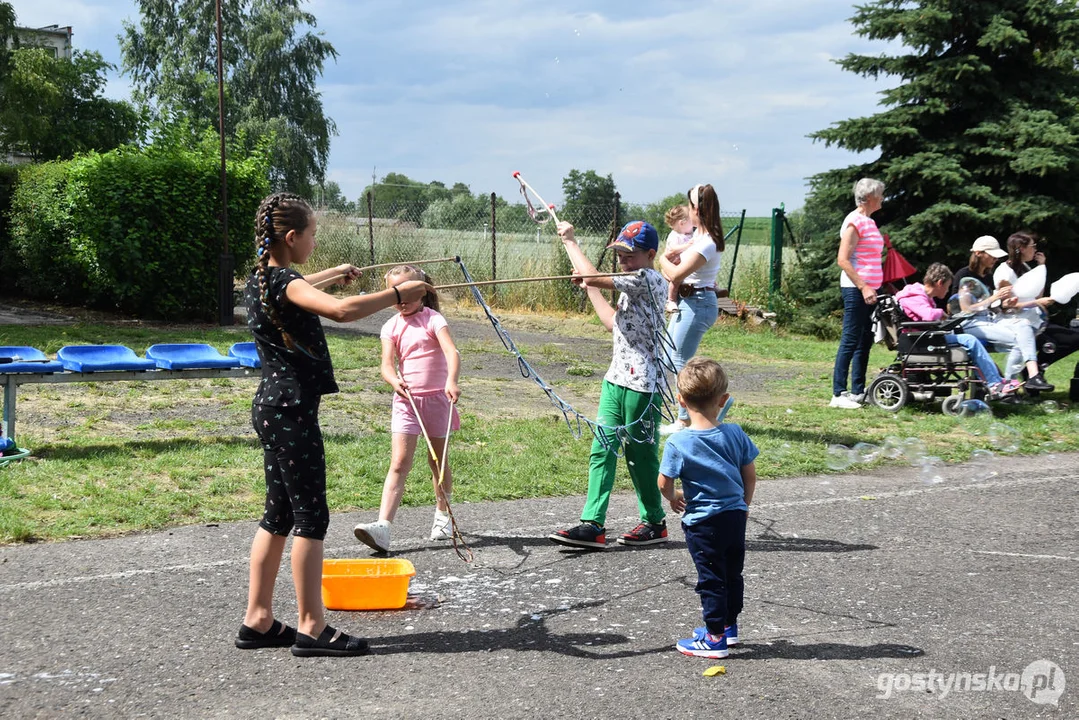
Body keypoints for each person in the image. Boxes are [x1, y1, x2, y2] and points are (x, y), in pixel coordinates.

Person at [238, 192, 431, 658]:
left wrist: (334, 276)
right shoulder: (284, 282)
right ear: (291, 237)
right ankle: (312, 627)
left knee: (279, 514)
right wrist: (397, 295)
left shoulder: (261, 278)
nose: (314, 241)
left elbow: (301, 284)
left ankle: (259, 619)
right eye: (311, 234)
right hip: (291, 410)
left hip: (273, 405)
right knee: (309, 516)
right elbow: (340, 311)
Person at [549, 220, 671, 549]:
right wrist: (590, 287)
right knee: (602, 448)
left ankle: (655, 522)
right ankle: (593, 524)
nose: (622, 261)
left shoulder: (648, 279)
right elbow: (611, 323)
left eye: (628, 255)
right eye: (618, 254)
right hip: (615, 380)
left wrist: (571, 242)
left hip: (643, 385)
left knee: (640, 455)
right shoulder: (631, 285)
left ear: (650, 254)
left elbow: (593, 276)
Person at [353, 266, 461, 553]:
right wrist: (393, 379)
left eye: (407, 292)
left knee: (437, 461)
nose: (401, 299)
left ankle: (442, 514)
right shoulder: (390, 326)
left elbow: (452, 352)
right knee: (399, 462)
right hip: (406, 402)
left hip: (437, 400)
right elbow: (387, 364)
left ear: (422, 291)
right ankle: (383, 527)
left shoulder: (433, 319)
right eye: (395, 292)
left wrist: (451, 381)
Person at [657, 357, 757, 659]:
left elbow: (664, 481)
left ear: (681, 401)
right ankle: (729, 627)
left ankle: (714, 639)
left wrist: (673, 498)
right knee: (732, 573)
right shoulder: (735, 433)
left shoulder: (679, 442)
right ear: (724, 400)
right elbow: (749, 474)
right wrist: (743, 505)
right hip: (735, 517)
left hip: (703, 523)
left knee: (711, 578)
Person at [894, 263, 1020, 398]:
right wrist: (942, 313)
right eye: (947, 286)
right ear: (940, 283)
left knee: (967, 338)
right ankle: (994, 383)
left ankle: (996, 380)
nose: (948, 290)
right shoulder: (914, 296)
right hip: (920, 340)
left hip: (926, 337)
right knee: (970, 340)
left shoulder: (921, 296)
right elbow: (929, 315)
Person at [658, 184, 726, 434]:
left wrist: (661, 258)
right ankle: (714, 401)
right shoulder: (698, 237)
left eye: (689, 205)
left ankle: (685, 421)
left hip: (697, 304)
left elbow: (675, 273)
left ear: (697, 208)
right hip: (690, 302)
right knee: (668, 358)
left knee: (678, 361)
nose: (687, 210)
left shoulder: (706, 242)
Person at [831, 178, 886, 409]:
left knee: (865, 339)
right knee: (851, 338)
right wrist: (864, 286)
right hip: (856, 289)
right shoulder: (854, 221)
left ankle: (857, 390)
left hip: (871, 290)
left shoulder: (869, 221)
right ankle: (838, 393)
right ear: (870, 197)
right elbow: (842, 259)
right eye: (881, 194)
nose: (883, 198)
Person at [994, 231, 1079, 379]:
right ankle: (1029, 376)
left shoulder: (1026, 268)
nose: (1035, 250)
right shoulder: (1004, 273)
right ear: (1021, 248)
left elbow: (1037, 296)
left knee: (1075, 338)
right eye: (1032, 246)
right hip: (1015, 324)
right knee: (1050, 342)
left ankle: (1034, 370)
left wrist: (1041, 268)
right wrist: (1037, 302)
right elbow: (1006, 306)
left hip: (1035, 321)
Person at [661, 204, 696, 314]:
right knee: (675, 281)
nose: (694, 224)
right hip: (674, 265)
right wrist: (687, 246)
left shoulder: (691, 234)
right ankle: (671, 300)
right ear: (682, 223)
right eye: (691, 221)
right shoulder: (675, 235)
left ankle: (713, 287)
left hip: (685, 263)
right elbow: (673, 249)